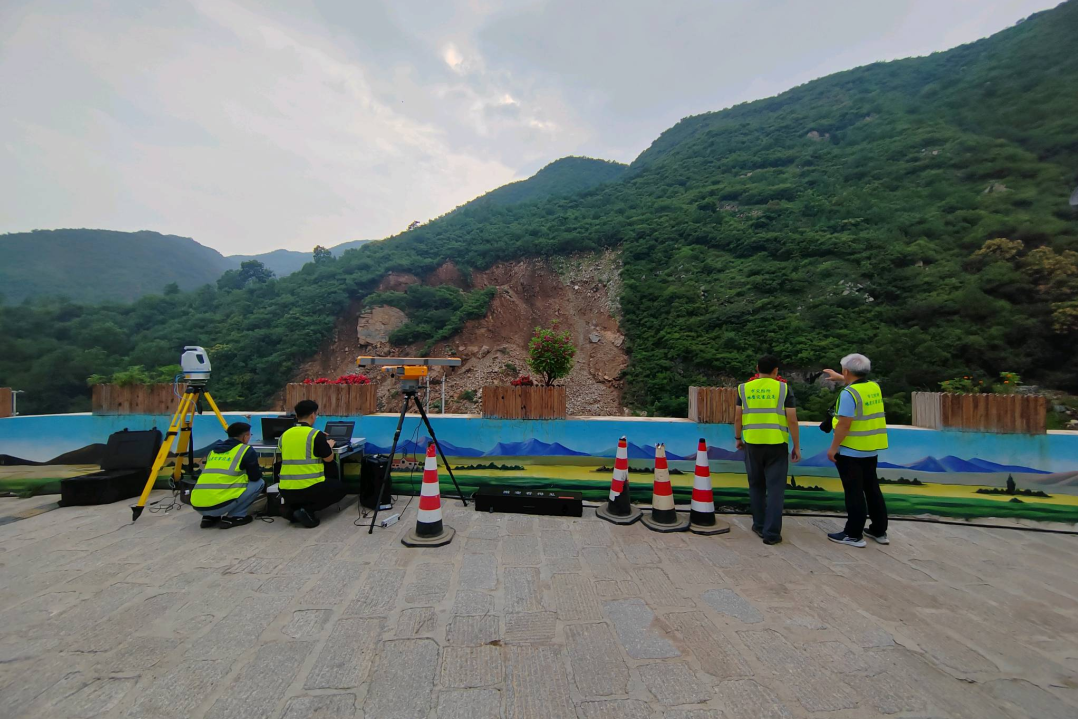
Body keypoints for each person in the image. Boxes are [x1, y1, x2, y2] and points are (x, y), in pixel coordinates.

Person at [822, 353, 889, 548]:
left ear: (846, 371)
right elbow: (857, 384)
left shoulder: (848, 394)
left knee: (854, 492)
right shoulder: (873, 387)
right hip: (871, 448)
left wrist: (833, 448)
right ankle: (879, 530)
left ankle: (853, 534)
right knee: (872, 489)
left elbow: (844, 424)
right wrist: (841, 377)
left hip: (851, 450)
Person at [734, 355, 801, 545]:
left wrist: (738, 438)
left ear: (757, 368)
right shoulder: (784, 389)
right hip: (777, 444)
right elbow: (792, 419)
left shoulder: (744, 388)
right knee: (775, 489)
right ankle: (771, 534)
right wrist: (796, 445)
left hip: (752, 443)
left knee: (756, 484)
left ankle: (759, 525)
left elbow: (738, 417)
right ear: (776, 371)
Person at [277, 399, 347, 528]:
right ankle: (306, 511)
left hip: (285, 489)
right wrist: (328, 445)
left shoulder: (284, 435)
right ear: (313, 415)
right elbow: (328, 459)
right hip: (310, 489)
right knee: (340, 488)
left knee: (300, 495)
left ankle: (292, 509)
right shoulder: (316, 435)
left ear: (297, 415)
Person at [191, 422, 265, 529]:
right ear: (245, 437)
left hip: (198, 505)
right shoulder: (245, 450)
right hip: (219, 505)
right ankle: (235, 516)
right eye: (249, 435)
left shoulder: (213, 451)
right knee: (259, 483)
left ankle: (209, 518)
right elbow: (255, 477)